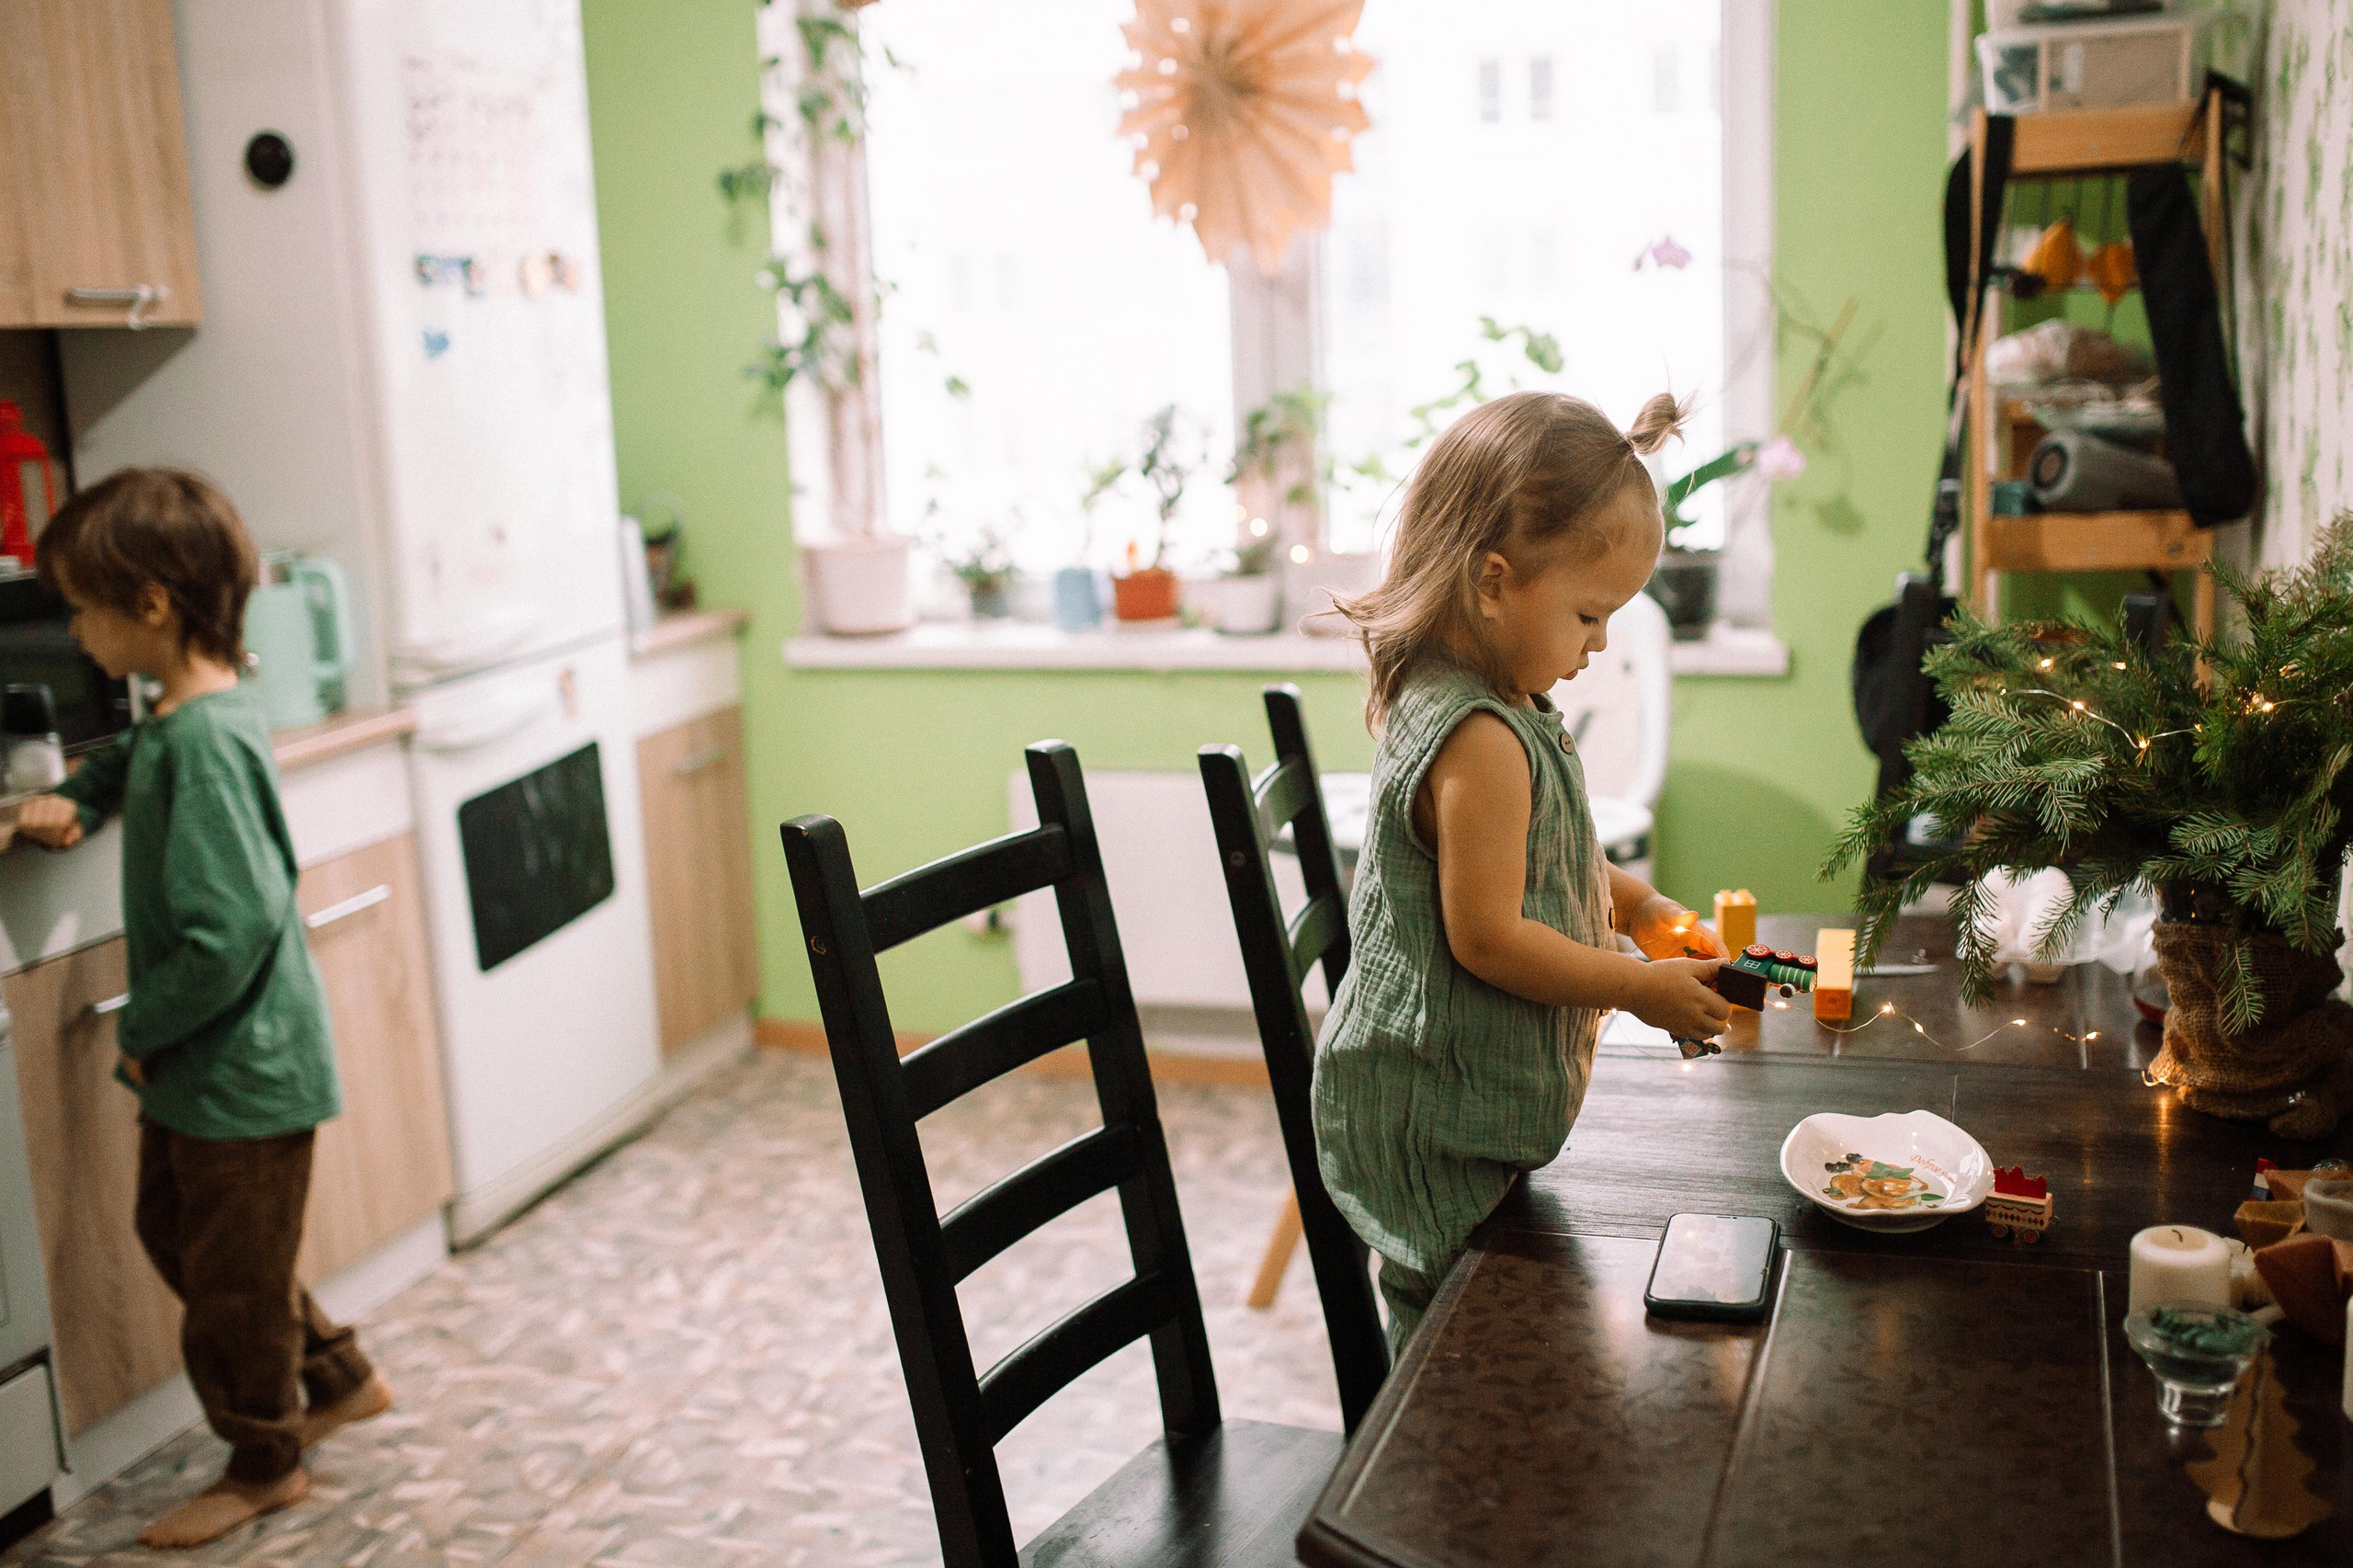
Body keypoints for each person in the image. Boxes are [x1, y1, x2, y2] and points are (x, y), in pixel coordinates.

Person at [14, 469, 392, 1549]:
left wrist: (139, 1031)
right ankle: (333, 1373)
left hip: (241, 1067)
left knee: (228, 1277)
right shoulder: (189, 717)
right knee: (191, 1234)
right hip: (220, 1064)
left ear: (150, 607)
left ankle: (265, 1458)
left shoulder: (207, 743)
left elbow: (230, 932)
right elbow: (138, 757)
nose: (74, 632)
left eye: (81, 608)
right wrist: (79, 801)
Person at [1313, 391, 1734, 1355]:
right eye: (1589, 614)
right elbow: (1490, 935)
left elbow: (1554, 854)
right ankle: (1429, 1469)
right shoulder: (1478, 737)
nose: (1598, 643)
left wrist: (1644, 905)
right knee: (1456, 1345)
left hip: (1466, 1109)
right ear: (1494, 581)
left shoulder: (1500, 695)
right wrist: (1636, 986)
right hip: (1434, 1123)